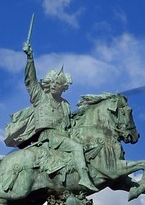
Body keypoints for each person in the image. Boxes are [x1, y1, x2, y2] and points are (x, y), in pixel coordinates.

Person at [19, 40, 97, 190]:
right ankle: (85, 179)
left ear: (63, 88)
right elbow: (30, 81)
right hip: (49, 137)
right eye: (53, 82)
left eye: (58, 84)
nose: (54, 85)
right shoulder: (40, 97)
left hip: (64, 136)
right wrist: (30, 59)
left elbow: (71, 125)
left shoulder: (65, 105)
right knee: (77, 148)